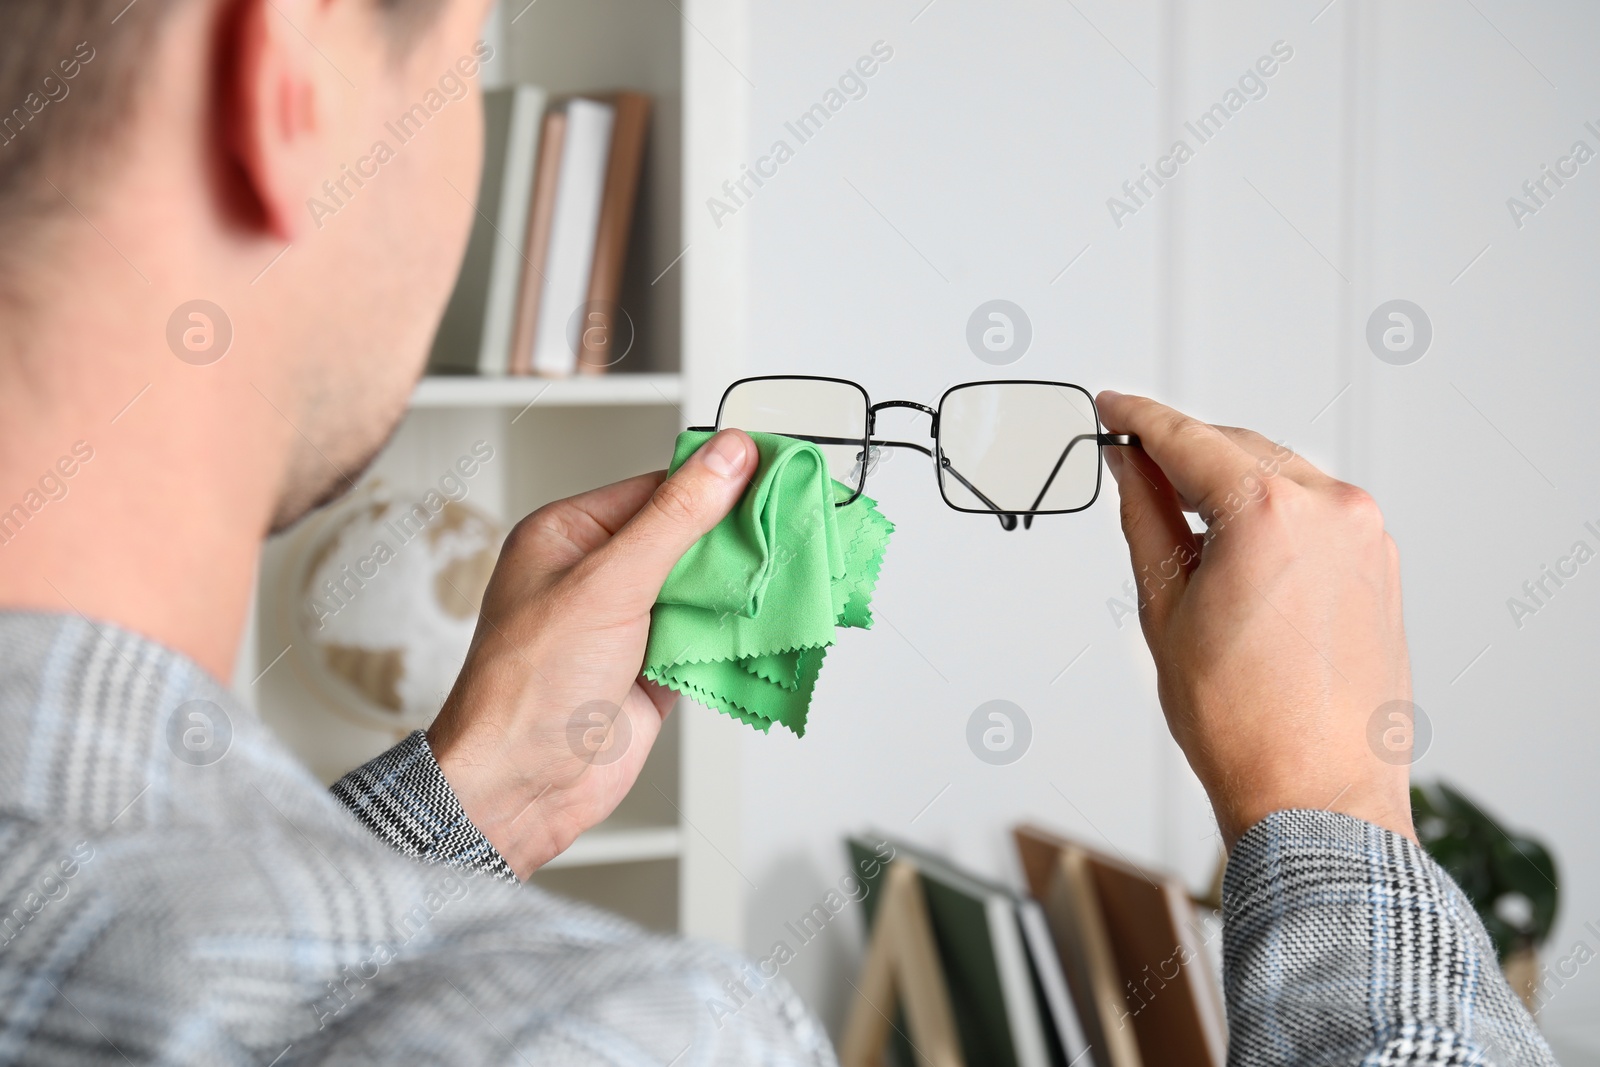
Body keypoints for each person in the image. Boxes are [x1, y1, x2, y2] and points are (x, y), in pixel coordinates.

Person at [0, 0, 1556, 1064]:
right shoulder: (616, 1037)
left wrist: (445, 814)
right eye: (469, 51)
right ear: (291, 72)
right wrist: (1341, 814)